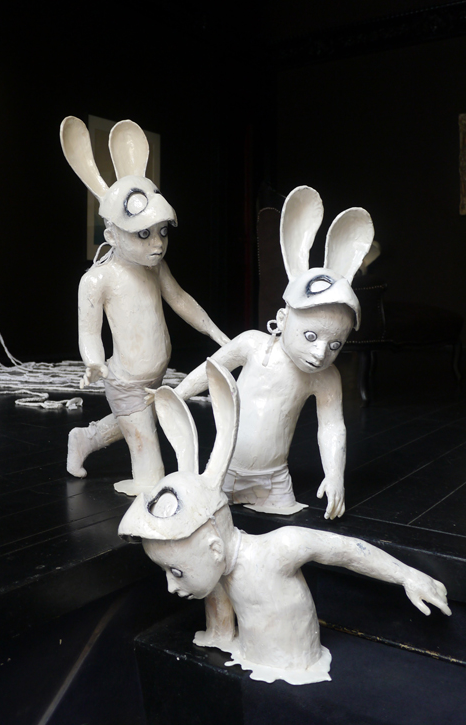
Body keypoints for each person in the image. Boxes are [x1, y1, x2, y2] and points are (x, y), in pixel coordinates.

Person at [120, 360, 451, 685]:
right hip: (253, 658)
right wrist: (218, 635)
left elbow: (346, 551)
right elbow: (218, 609)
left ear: (214, 547)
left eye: (176, 571)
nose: (170, 586)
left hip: (294, 662)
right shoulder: (216, 572)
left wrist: (407, 575)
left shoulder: (278, 549)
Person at [173, 185, 374, 518]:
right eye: (310, 335)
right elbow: (211, 370)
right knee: (205, 518)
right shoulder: (253, 344)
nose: (320, 353)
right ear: (282, 319)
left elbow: (332, 427)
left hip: (275, 479)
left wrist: (335, 476)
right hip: (224, 468)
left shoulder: (326, 377)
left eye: (335, 345)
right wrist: (176, 396)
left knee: (286, 524)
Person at [60, 116, 229, 495]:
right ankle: (148, 500)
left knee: (135, 422)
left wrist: (214, 331)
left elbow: (180, 299)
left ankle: (85, 439)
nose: (158, 243)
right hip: (124, 380)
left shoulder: (156, 268)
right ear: (111, 235)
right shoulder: (97, 280)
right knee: (149, 464)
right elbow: (89, 332)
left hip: (155, 377)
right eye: (143, 234)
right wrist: (94, 362)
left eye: (162, 232)